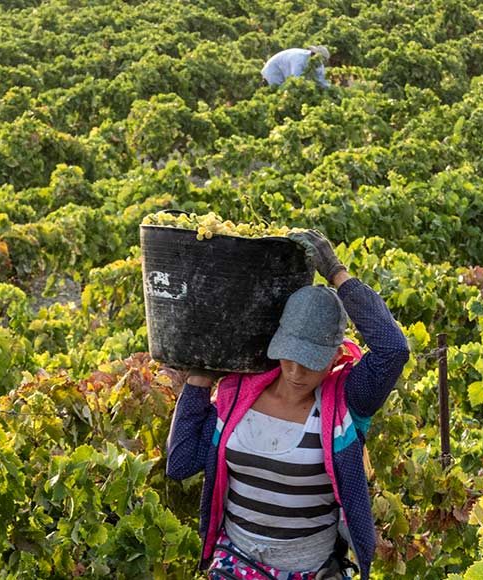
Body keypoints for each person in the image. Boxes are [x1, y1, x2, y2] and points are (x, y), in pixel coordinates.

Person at [166, 230, 410, 580]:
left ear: (335, 358)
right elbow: (181, 462)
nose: (296, 372)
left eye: (311, 362)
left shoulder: (346, 403)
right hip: (236, 564)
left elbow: (393, 349)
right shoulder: (237, 395)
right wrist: (200, 379)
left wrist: (337, 273)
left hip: (310, 571)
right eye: (288, 357)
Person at [261, 46, 331, 88]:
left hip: (284, 71)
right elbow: (295, 79)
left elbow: (321, 80)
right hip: (273, 70)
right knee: (278, 92)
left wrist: (329, 89)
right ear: (313, 54)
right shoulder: (299, 58)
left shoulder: (318, 63)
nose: (321, 62)